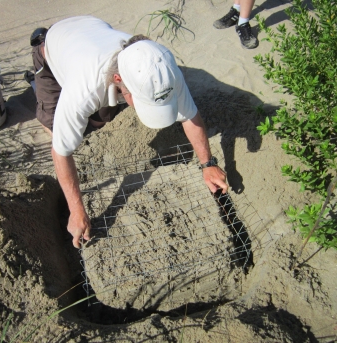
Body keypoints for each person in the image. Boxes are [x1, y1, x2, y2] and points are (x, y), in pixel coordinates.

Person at [28, 16, 229, 248]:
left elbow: (190, 116)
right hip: (54, 47)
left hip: (92, 29)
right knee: (55, 127)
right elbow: (60, 152)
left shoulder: (162, 70)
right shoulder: (83, 89)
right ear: (118, 79)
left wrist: (208, 164)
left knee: (98, 121)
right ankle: (35, 82)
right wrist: (77, 211)